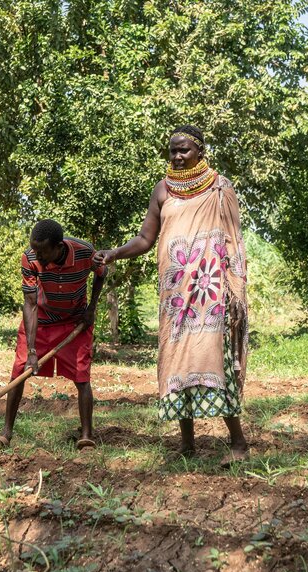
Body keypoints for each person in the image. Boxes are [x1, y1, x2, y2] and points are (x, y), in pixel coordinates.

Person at [93, 125, 249, 466]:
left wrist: (235, 290)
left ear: (200, 152)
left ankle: (238, 442)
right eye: (172, 152)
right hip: (175, 295)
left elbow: (235, 240)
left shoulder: (220, 188)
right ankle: (187, 443)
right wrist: (115, 252)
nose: (177, 157)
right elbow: (145, 239)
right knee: (178, 360)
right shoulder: (162, 191)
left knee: (214, 362)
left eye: (184, 151)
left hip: (211, 292)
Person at [0, 219, 107, 451]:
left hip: (75, 322)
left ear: (59, 246)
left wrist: (91, 309)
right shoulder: (30, 258)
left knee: (82, 375)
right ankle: (6, 434)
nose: (38, 256)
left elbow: (101, 272)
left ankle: (86, 435)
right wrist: (32, 350)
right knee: (19, 373)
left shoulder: (84, 252)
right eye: (34, 249)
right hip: (41, 322)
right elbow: (30, 303)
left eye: (43, 251)